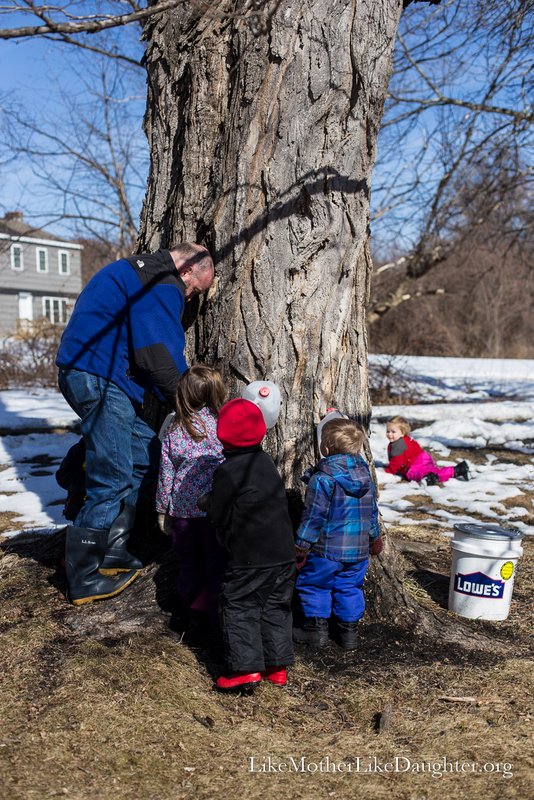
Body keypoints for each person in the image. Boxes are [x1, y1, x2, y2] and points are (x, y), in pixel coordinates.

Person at [55, 242, 215, 605]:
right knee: (111, 474)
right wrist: (190, 406)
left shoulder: (141, 273)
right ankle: (83, 576)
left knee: (145, 455)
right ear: (187, 270)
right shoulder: (159, 282)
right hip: (98, 378)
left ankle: (113, 550)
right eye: (195, 290)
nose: (191, 298)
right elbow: (158, 356)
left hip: (103, 379)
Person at [205, 398, 296, 694]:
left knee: (240, 604)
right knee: (275, 606)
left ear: (222, 435)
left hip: (250, 556)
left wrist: (210, 510)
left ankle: (245, 669)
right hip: (283, 552)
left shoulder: (229, 471)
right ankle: (276, 665)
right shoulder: (266, 461)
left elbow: (218, 512)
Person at [293, 418, 382, 650]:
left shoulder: (322, 479)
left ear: (324, 449)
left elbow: (313, 517)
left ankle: (316, 631)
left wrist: (301, 546)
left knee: (315, 585)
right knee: (349, 586)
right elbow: (373, 512)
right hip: (358, 551)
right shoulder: (366, 478)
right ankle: (348, 633)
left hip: (326, 550)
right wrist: (375, 537)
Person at [156, 365, 226, 628]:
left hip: (183, 514)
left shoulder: (175, 429)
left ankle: (195, 615)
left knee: (189, 565)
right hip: (214, 514)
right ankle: (216, 615)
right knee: (216, 564)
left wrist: (163, 510)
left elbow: (166, 474)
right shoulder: (222, 427)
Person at [385, 416, 470, 485]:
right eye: (388, 431)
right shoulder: (401, 441)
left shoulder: (399, 445)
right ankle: (457, 470)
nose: (389, 434)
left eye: (393, 432)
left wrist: (388, 471)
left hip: (415, 463)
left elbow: (396, 461)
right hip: (423, 458)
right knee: (435, 472)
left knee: (414, 474)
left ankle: (428, 478)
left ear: (402, 433)